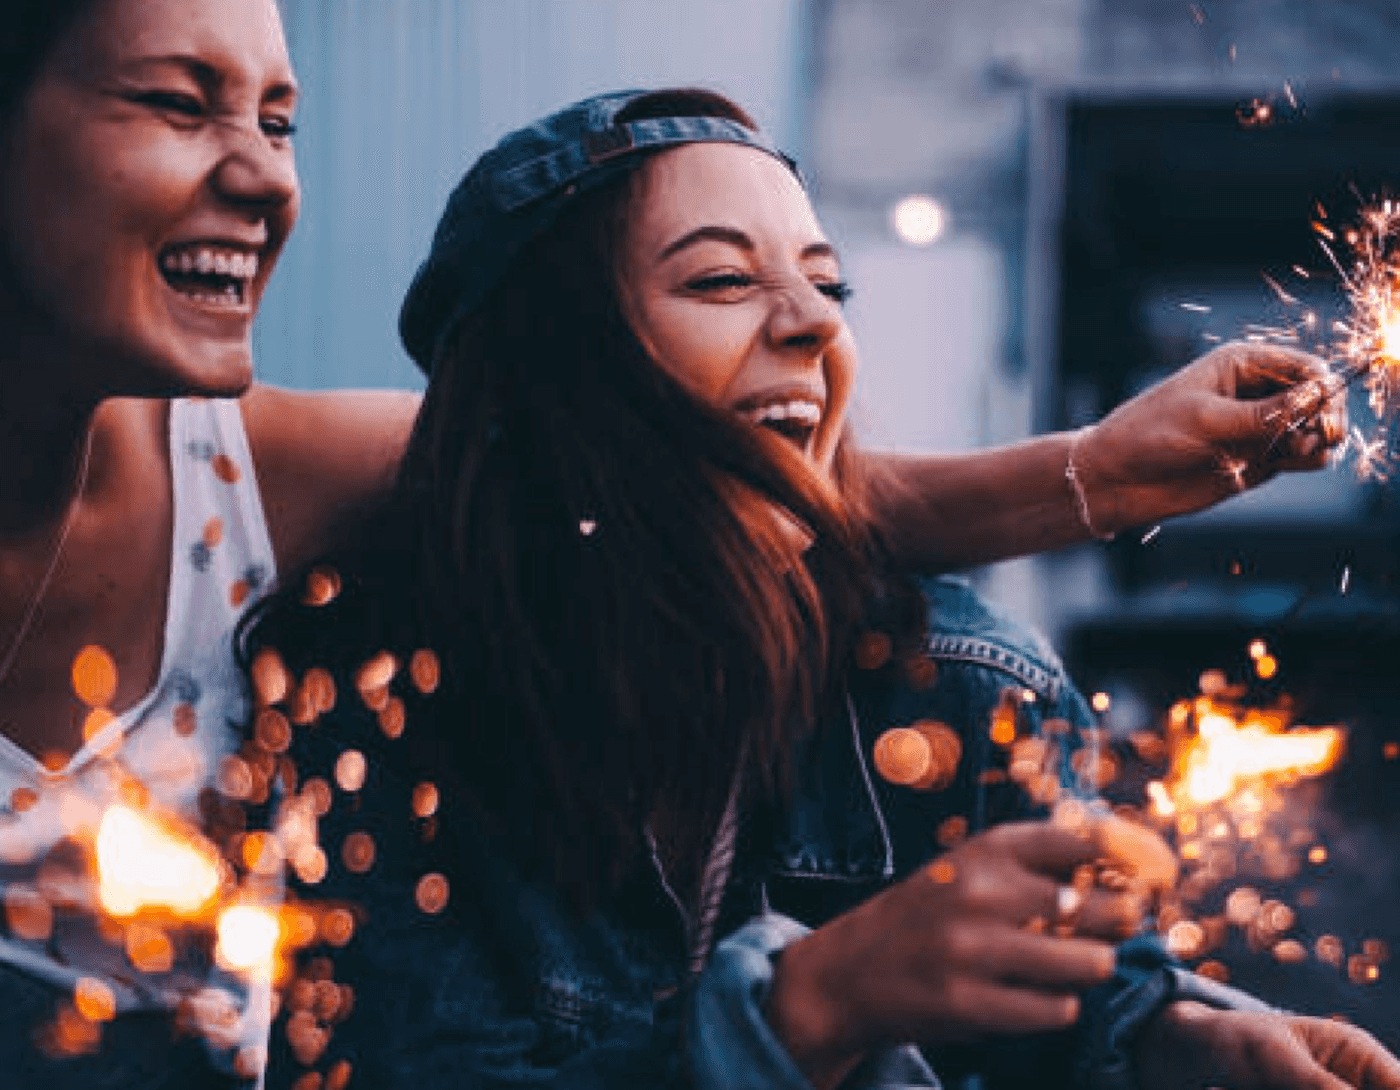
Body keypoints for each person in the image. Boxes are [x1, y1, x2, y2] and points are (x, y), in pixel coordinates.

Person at [0, 0, 1347, 1083]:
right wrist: (809, 1006)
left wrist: (1185, 1032)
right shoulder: (378, 706)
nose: (816, 325)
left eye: (830, 282)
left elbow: (1076, 1000)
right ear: (554, 384)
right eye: (719, 278)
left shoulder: (967, 687)